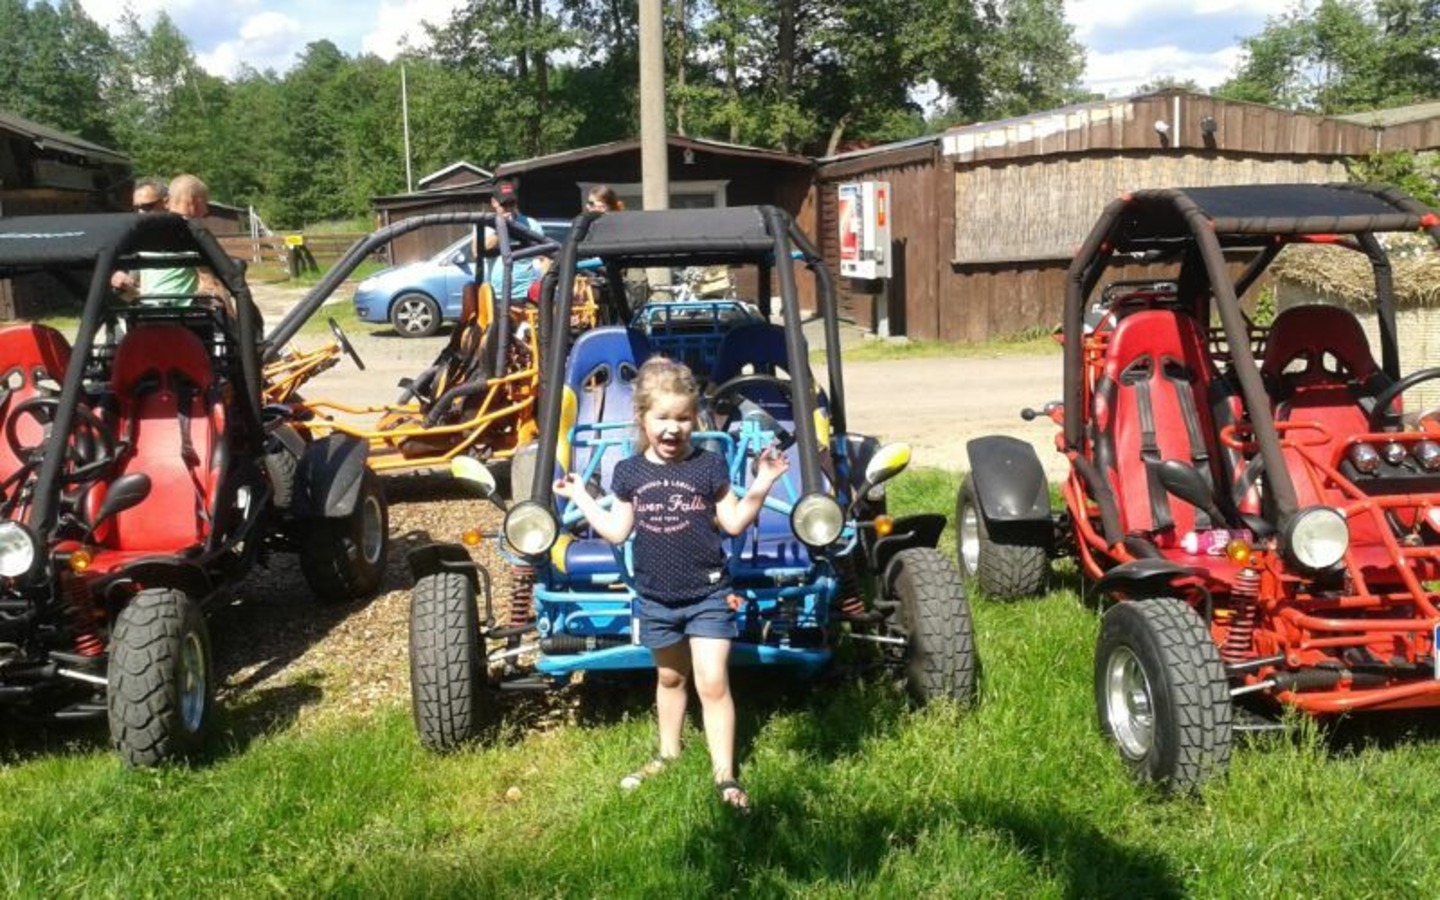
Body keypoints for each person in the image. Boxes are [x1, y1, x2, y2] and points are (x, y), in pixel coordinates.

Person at [553, 357, 789, 812]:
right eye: (662, 418)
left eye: (683, 418)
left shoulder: (709, 467)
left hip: (708, 593)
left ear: (694, 419)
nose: (672, 429)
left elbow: (735, 522)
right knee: (669, 676)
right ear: (642, 418)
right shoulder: (628, 472)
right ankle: (668, 753)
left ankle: (725, 775)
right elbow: (618, 531)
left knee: (713, 681)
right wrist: (581, 495)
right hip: (656, 596)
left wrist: (762, 481)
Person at [478, 179, 544, 304]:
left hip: (527, 294)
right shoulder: (486, 225)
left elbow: (545, 258)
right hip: (497, 296)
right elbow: (477, 251)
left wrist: (543, 286)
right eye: (504, 204)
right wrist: (501, 228)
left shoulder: (532, 225)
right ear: (494, 202)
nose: (508, 208)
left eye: (512, 203)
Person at [109, 177, 170, 296]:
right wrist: (121, 283)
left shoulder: (187, 235)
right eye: (136, 208)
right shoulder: (137, 241)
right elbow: (131, 297)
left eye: (147, 207)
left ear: (166, 202)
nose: (141, 213)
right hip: (147, 311)